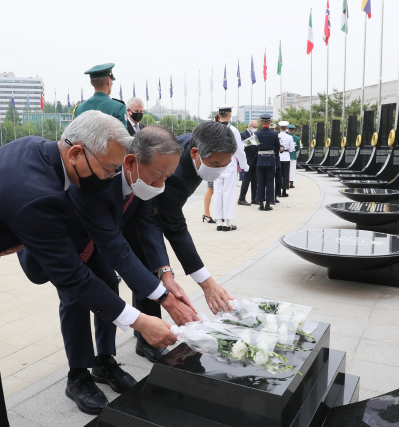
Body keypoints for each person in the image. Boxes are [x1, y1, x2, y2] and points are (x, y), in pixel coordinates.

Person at [0, 110, 177, 427]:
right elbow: (71, 275)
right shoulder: (37, 194)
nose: (111, 177)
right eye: (109, 169)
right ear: (76, 152)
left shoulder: (35, 148)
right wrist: (138, 320)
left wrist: (15, 232)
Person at [18, 126, 197, 414]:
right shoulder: (99, 178)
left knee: (109, 291)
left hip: (96, 243)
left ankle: (104, 361)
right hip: (65, 244)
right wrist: (164, 298)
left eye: (168, 176)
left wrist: (164, 273)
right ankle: (77, 374)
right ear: (130, 163)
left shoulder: (141, 182)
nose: (161, 184)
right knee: (76, 298)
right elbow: (117, 249)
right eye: (158, 175)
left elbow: (148, 225)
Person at [123, 121, 238, 358]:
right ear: (195, 153)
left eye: (225, 165)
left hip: (147, 210)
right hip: (129, 213)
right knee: (147, 266)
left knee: (155, 271)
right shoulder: (175, 174)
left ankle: (148, 330)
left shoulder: (194, 144)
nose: (219, 171)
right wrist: (202, 281)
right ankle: (147, 338)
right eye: (215, 164)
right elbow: (172, 225)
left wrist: (167, 273)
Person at [212, 105, 249, 231]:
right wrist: (244, 166)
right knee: (229, 194)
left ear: (219, 114)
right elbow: (239, 150)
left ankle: (218, 221)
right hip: (229, 165)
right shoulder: (233, 130)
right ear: (229, 115)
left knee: (218, 193)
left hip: (215, 166)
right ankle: (227, 222)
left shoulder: (213, 129)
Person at [255, 114, 280, 211]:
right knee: (270, 182)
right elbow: (277, 147)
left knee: (260, 182)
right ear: (269, 123)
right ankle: (268, 204)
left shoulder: (257, 134)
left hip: (260, 160)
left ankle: (260, 203)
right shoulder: (274, 134)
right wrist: (275, 156)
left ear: (261, 123)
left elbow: (255, 146)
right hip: (270, 159)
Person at [238, 120, 259, 206]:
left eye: (256, 127)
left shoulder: (255, 135)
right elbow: (240, 147)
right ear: (249, 126)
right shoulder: (243, 135)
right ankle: (241, 199)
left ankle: (254, 198)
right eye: (254, 127)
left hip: (255, 160)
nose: (255, 129)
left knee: (255, 180)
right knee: (246, 180)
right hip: (247, 160)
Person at [278, 121, 294, 197]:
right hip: (286, 157)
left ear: (280, 128)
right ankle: (284, 191)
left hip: (278, 157)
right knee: (285, 175)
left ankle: (278, 191)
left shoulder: (277, 136)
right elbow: (291, 149)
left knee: (278, 175)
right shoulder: (289, 137)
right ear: (286, 128)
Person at [269, 122, 282, 203]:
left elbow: (280, 145)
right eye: (271, 129)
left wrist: (281, 148)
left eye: (273, 129)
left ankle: (275, 196)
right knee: (269, 181)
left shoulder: (277, 136)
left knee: (278, 179)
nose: (273, 131)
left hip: (276, 159)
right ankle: (269, 197)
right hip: (269, 160)